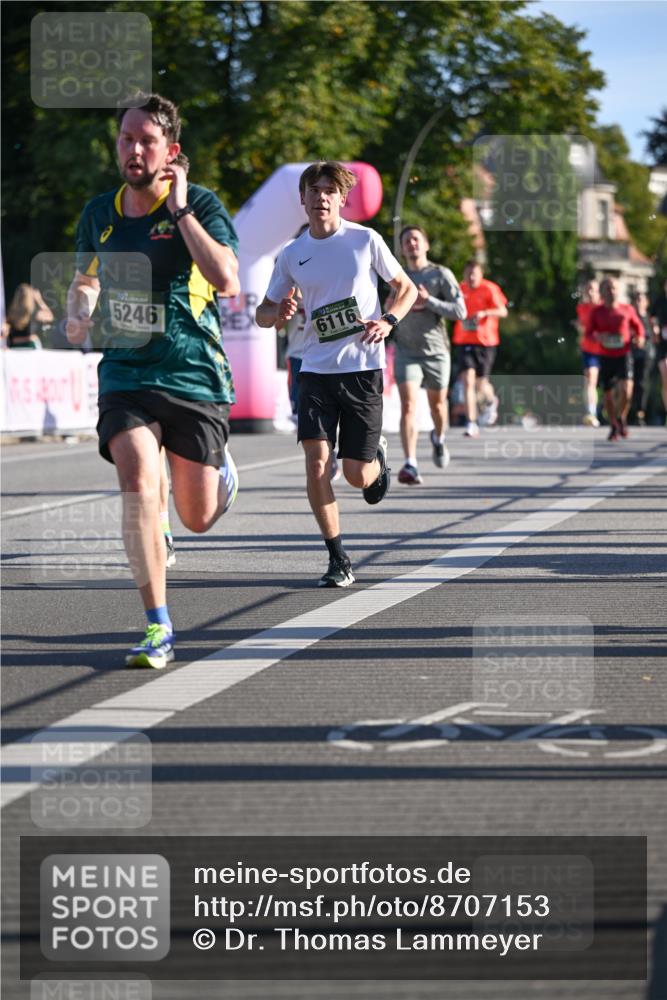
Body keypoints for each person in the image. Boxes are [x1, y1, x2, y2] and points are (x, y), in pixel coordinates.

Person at [66, 92, 240, 668]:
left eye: (145, 140)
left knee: (197, 516)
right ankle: (158, 628)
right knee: (139, 482)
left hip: (192, 370)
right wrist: (80, 307)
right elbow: (86, 277)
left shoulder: (203, 205)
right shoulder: (99, 212)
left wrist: (183, 209)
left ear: (171, 151)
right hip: (126, 367)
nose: (133, 149)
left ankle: (220, 481)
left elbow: (226, 279)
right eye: (125, 139)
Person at [256, 161, 417, 588]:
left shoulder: (365, 240)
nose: (322, 197)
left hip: (362, 368)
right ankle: (338, 557)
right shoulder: (291, 254)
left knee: (355, 475)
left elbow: (406, 288)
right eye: (315, 190)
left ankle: (375, 458)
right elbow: (262, 313)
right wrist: (278, 311)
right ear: (303, 199)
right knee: (315, 464)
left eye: (331, 190)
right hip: (315, 368)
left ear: (342, 199)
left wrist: (388, 321)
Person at [387, 226, 466, 485]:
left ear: (426, 244)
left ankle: (439, 438)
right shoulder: (398, 276)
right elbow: (389, 307)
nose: (411, 244)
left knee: (438, 407)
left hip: (436, 352)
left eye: (415, 239)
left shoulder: (440, 274)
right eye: (406, 241)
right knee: (408, 406)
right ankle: (410, 463)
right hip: (406, 351)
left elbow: (460, 311)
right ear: (402, 248)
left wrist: (429, 300)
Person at [452, 261, 508, 437]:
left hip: (486, 342)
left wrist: (485, 313)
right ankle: (471, 423)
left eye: (474, 274)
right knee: (468, 380)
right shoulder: (459, 289)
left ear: (481, 274)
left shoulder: (490, 288)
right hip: (464, 340)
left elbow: (503, 311)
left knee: (481, 383)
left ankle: (491, 401)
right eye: (468, 274)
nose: (471, 277)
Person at [585, 277, 644, 440]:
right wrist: (598, 336)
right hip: (605, 356)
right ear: (602, 292)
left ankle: (621, 417)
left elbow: (638, 327)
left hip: (624, 354)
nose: (612, 291)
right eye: (608, 288)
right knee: (608, 394)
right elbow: (588, 333)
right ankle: (613, 424)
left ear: (619, 290)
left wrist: (639, 338)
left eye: (614, 288)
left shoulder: (627, 309)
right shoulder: (597, 312)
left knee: (627, 390)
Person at [576, 278, 602, 426]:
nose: (591, 293)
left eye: (594, 289)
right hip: (589, 349)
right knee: (591, 379)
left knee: (610, 384)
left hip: (606, 350)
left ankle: (611, 413)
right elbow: (581, 326)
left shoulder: (605, 308)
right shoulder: (582, 308)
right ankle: (591, 413)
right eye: (588, 289)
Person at [629, 291, 655, 425]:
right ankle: (629, 412)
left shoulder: (650, 319)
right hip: (632, 354)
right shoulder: (631, 318)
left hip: (646, 355)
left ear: (646, 303)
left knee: (642, 383)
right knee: (629, 383)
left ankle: (640, 412)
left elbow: (653, 338)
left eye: (641, 300)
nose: (639, 302)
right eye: (637, 300)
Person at [6, 283, 53, 348]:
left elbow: (10, 336)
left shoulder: (11, 313)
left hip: (15, 347)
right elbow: (50, 317)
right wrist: (39, 300)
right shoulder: (34, 314)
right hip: (30, 346)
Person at [649, 277, 667, 422]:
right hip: (662, 345)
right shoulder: (660, 301)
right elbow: (651, 317)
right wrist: (654, 327)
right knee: (665, 377)